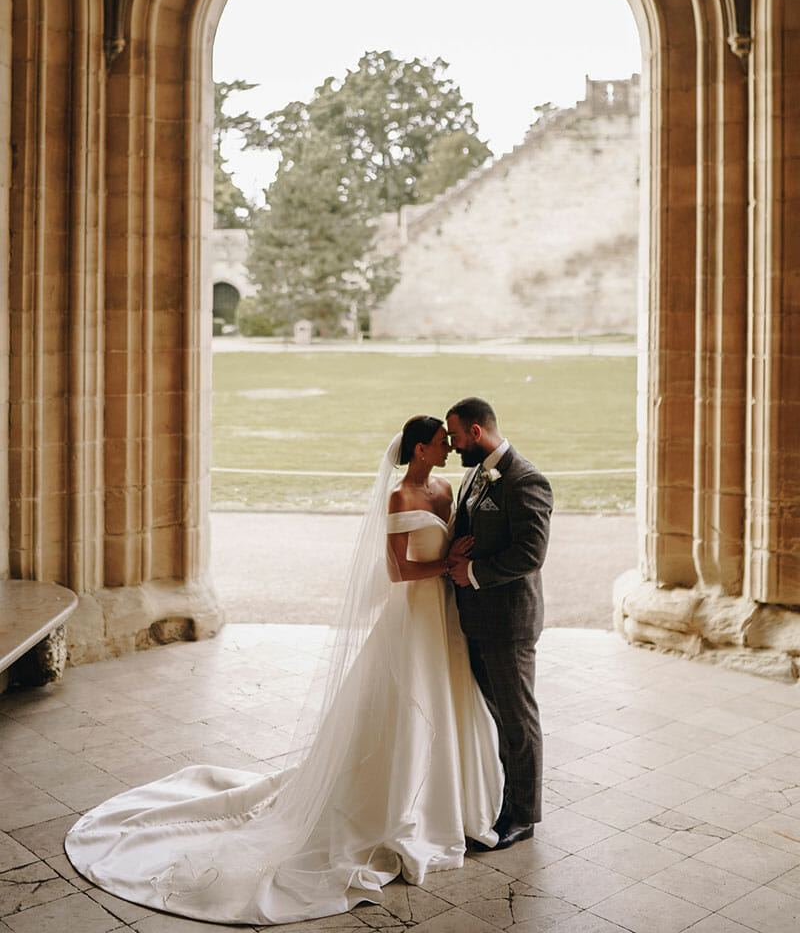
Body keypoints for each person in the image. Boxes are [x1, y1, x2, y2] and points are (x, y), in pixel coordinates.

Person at [64, 416, 503, 926]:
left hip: (442, 616)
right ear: (419, 450)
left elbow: (451, 535)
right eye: (440, 442)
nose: (448, 447)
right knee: (405, 705)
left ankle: (447, 800)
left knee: (448, 698)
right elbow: (397, 570)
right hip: (412, 614)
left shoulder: (446, 488)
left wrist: (455, 560)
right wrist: (447, 562)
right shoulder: (399, 498)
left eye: (450, 440)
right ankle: (400, 807)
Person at [446, 396, 552, 850]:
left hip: (509, 622)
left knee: (518, 718)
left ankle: (523, 816)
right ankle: (503, 798)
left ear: (475, 432)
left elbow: (531, 554)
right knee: (497, 716)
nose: (451, 446)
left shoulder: (526, 480)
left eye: (455, 437)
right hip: (478, 619)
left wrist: (470, 574)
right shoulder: (476, 473)